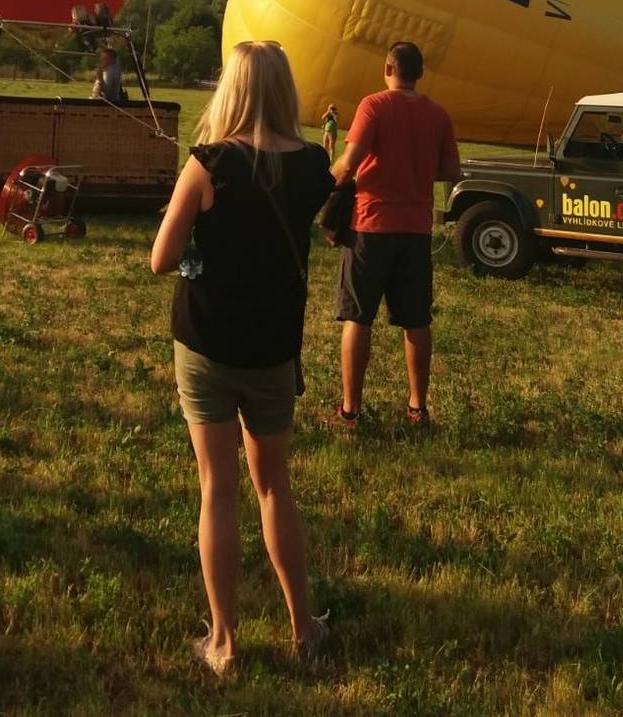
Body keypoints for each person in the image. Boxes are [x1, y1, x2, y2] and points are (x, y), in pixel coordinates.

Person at [150, 41, 333, 674]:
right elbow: (326, 213)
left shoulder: (207, 165)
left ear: (230, 88)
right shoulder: (314, 164)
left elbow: (160, 258)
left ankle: (224, 642)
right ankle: (302, 627)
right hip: (273, 348)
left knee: (217, 490)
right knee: (274, 486)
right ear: (286, 93)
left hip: (205, 343)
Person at [328, 40, 461, 430]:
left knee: (357, 317)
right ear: (419, 73)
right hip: (416, 230)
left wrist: (324, 182)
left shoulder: (373, 106)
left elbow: (349, 164)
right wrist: (414, 168)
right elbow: (451, 170)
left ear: (388, 68)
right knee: (416, 320)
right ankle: (417, 408)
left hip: (371, 226)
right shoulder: (438, 114)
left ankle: (351, 411)